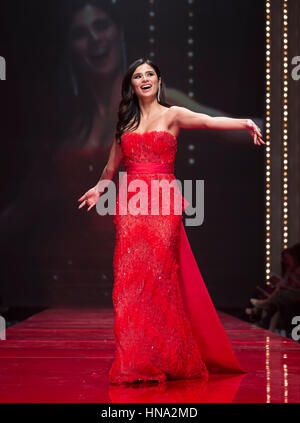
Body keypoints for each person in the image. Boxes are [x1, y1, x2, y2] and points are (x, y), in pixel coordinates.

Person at [78, 57, 264, 384]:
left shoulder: (173, 114)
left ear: (159, 80)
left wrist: (243, 122)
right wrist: (97, 189)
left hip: (163, 203)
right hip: (131, 207)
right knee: (130, 281)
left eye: (150, 74)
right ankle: (135, 358)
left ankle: (167, 356)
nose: (145, 79)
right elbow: (110, 169)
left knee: (160, 278)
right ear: (132, 85)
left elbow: (207, 121)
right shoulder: (125, 124)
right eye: (138, 76)